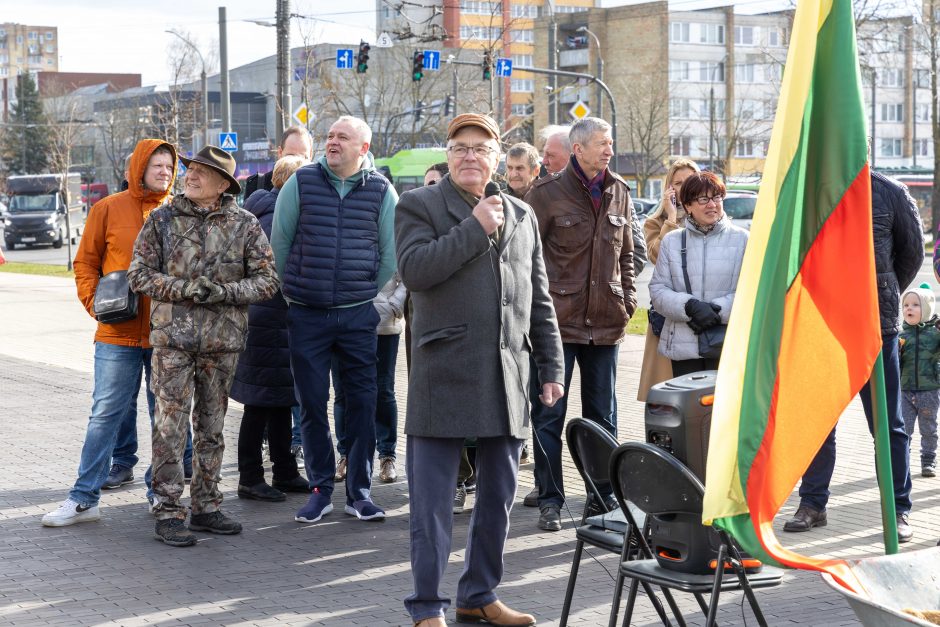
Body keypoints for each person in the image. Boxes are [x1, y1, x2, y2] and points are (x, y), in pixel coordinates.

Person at [397, 112, 564, 627]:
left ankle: (479, 594)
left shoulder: (521, 212)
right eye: (460, 147)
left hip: (507, 373)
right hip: (442, 370)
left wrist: (551, 364)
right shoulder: (417, 205)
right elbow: (416, 271)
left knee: (499, 497)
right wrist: (473, 229)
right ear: (447, 155)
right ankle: (427, 607)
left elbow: (538, 297)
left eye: (481, 148)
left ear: (497, 158)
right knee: (432, 506)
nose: (471, 155)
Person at [127, 145, 279, 547]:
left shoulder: (245, 224)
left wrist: (223, 292)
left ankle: (207, 506)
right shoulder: (161, 219)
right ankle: (168, 510)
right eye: (190, 169)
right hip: (172, 342)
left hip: (222, 343)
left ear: (223, 184)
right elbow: (139, 275)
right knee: (170, 428)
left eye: (200, 172)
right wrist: (187, 290)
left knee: (212, 429)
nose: (190, 175)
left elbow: (267, 281)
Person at [783, 170, 924, 543]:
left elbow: (911, 255)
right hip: (822, 327)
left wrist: (883, 291)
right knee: (818, 422)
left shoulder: (890, 192)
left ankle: (898, 510)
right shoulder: (811, 191)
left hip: (877, 329)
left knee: (888, 424)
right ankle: (812, 504)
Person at [42, 139, 177, 527]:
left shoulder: (178, 212)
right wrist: (96, 305)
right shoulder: (108, 208)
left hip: (167, 336)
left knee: (167, 418)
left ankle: (161, 494)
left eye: (170, 166)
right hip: (116, 336)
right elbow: (85, 263)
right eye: (157, 165)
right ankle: (85, 498)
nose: (164, 172)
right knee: (104, 416)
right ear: (138, 167)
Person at [271, 115, 398, 524]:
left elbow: (390, 256)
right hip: (306, 314)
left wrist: (360, 290)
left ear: (363, 148)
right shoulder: (302, 182)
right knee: (311, 403)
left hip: (358, 315)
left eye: (343, 137)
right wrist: (295, 291)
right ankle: (321, 488)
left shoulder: (381, 191)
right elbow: (280, 244)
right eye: (329, 136)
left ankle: (359, 493)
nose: (332, 142)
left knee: (361, 402)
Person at [523, 117, 636, 532]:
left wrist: (627, 300)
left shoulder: (619, 191)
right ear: (578, 149)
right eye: (602, 144)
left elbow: (627, 255)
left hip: (606, 322)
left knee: (602, 418)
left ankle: (601, 498)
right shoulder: (546, 195)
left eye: (610, 143)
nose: (608, 150)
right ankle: (551, 499)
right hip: (557, 323)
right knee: (549, 413)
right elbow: (527, 257)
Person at [230, 155, 311, 502]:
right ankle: (250, 477)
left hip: (269, 318)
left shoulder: (260, 208)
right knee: (260, 403)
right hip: (270, 318)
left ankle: (284, 470)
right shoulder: (280, 214)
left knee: (278, 399)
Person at [648, 171, 748, 375]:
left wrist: (717, 310)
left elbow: (753, 291)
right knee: (687, 407)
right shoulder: (672, 241)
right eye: (703, 199)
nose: (712, 204)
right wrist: (690, 306)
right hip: (683, 348)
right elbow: (657, 291)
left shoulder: (744, 240)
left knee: (721, 407)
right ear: (687, 206)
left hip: (726, 345)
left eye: (717, 197)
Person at [330, 270, 407, 484]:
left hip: (383, 326)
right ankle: (345, 455)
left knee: (383, 391)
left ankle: (387, 456)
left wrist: (394, 305)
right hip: (344, 323)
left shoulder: (391, 235)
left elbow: (407, 274)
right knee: (342, 393)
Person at [637, 158, 700, 402]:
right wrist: (672, 218)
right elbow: (657, 256)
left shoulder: (708, 218)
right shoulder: (655, 223)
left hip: (701, 310)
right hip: (670, 313)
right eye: (678, 183)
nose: (684, 188)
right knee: (667, 390)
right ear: (669, 188)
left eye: (690, 181)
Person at [899, 283, 940, 479]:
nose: (909, 308)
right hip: (905, 390)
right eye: (906, 305)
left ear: (926, 309)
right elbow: (894, 364)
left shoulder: (935, 334)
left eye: (915, 305)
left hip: (929, 390)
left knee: (929, 428)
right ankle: (902, 460)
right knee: (903, 429)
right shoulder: (901, 335)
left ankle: (928, 458)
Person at [243, 126, 315, 198]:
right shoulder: (257, 184)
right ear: (280, 153)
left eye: (303, 157)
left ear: (311, 155)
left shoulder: (320, 187)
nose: (298, 163)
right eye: (291, 156)